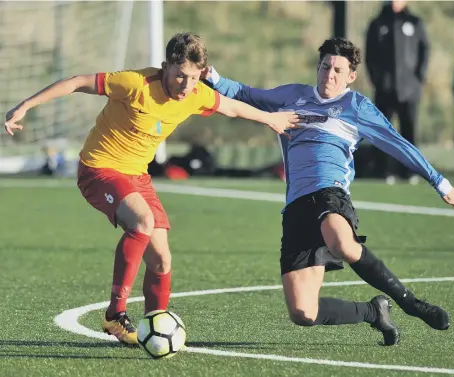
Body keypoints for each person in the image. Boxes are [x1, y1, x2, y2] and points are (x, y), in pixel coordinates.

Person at [4, 32, 300, 346]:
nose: (186, 85)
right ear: (165, 68)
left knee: (161, 260)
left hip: (137, 177)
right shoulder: (135, 84)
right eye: (180, 76)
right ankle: (114, 314)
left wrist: (271, 119)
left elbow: (232, 107)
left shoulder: (197, 93)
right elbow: (77, 81)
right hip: (99, 168)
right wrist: (25, 106)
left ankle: (154, 327)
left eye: (194, 77)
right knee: (142, 222)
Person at [204, 36, 454, 346]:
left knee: (342, 243)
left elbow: (399, 146)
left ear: (351, 76)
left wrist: (442, 185)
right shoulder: (294, 95)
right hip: (296, 206)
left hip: (330, 194)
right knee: (303, 312)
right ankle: (372, 312)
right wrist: (213, 78)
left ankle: (410, 303)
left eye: (338, 70)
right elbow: (246, 94)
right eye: (325, 67)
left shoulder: (357, 107)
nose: (330, 75)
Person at [365, 0, 429, 185]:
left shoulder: (415, 22)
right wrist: (378, 80)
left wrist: (418, 77)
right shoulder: (377, 23)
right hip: (385, 89)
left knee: (408, 131)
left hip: (410, 90)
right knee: (384, 131)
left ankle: (410, 172)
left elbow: (424, 50)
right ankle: (383, 170)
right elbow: (370, 55)